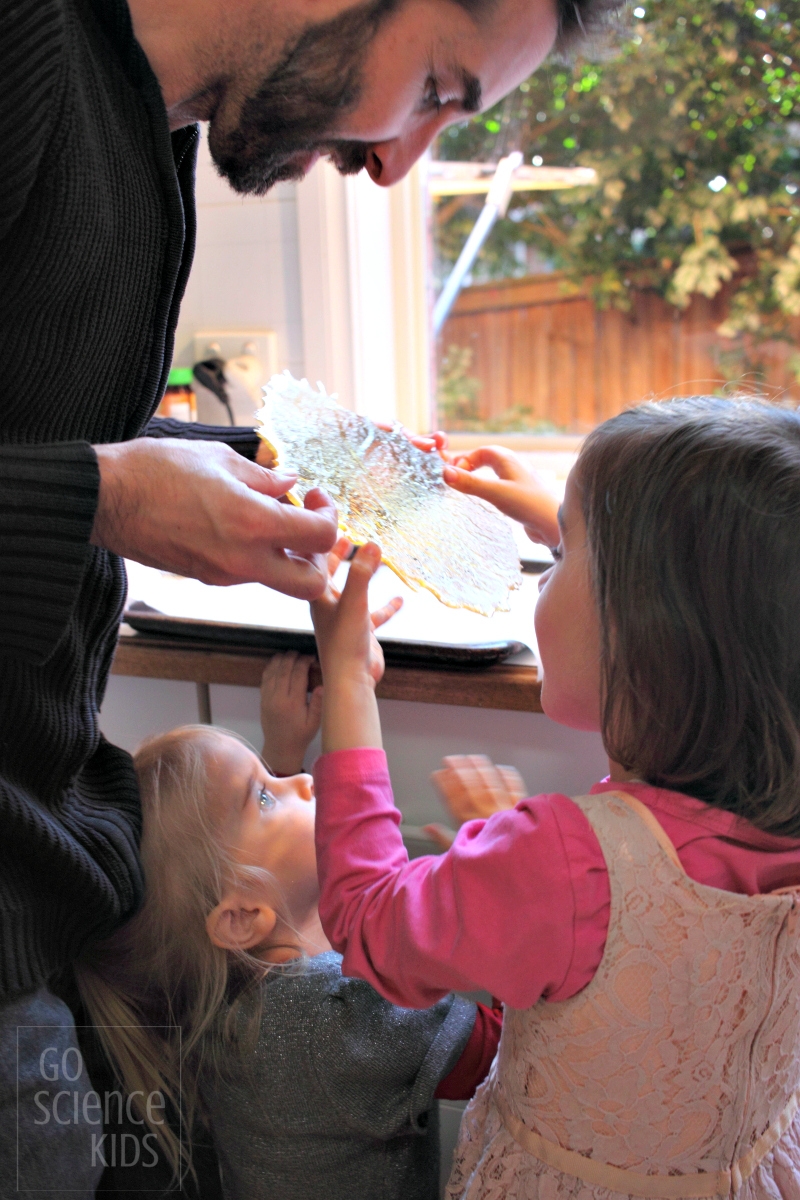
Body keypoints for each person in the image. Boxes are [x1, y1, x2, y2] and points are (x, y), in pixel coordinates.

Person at [1, 0, 625, 1188]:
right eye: (439, 88)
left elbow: (40, 417)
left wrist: (218, 469)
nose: (399, 164)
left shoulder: (149, 134)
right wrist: (106, 500)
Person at [309, 396, 800, 1197]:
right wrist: (570, 516)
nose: (544, 567)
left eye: (564, 552)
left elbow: (368, 920)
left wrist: (346, 686)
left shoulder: (560, 865)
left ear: (647, 634)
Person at [76, 610, 504, 1200]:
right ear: (238, 918)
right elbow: (510, 1063)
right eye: (265, 796)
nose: (302, 784)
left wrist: (282, 754)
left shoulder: (207, 992)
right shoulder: (346, 1014)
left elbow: (282, 892)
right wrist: (507, 889)